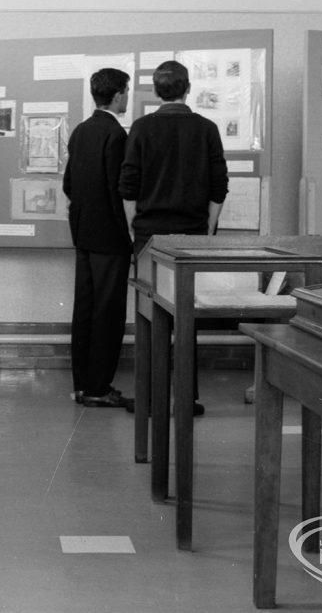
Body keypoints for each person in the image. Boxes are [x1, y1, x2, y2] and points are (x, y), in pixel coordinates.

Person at [119, 60, 229, 415]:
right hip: (192, 236)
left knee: (149, 315)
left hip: (150, 235)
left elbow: (129, 187)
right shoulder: (207, 128)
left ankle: (149, 396)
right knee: (186, 316)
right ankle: (186, 396)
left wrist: (136, 227)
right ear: (188, 89)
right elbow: (218, 187)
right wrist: (207, 231)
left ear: (155, 90)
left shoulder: (141, 127)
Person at [62, 68, 134, 410]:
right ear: (118, 95)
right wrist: (129, 236)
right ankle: (99, 388)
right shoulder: (116, 135)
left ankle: (82, 385)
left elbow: (68, 185)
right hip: (110, 238)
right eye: (127, 92)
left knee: (85, 311)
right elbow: (120, 190)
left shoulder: (80, 131)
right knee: (108, 314)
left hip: (84, 235)